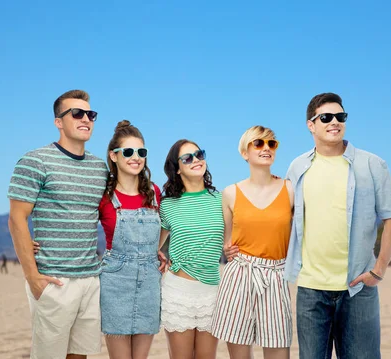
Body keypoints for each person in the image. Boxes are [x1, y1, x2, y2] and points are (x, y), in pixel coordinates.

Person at [283, 93, 391, 358]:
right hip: (311, 290)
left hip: (358, 288)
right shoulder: (298, 167)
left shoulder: (372, 164)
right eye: (326, 117)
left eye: (341, 116)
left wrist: (379, 270)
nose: (334, 122)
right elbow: (285, 218)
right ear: (311, 125)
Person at [8, 89, 106, 359]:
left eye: (90, 114)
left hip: (90, 277)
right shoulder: (35, 161)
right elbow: (17, 218)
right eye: (76, 113)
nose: (85, 118)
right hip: (54, 278)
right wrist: (32, 276)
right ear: (58, 122)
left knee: (80, 355)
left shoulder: (100, 168)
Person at [211, 126, 294, 359]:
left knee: (279, 350)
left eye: (271, 144)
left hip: (276, 277)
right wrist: (227, 248)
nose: (266, 148)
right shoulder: (230, 193)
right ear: (244, 153)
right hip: (239, 276)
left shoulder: (290, 189)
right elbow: (227, 241)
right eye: (258, 143)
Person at [98, 120, 165, 358]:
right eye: (128, 152)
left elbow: (167, 226)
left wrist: (157, 250)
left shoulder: (155, 193)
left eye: (141, 152)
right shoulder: (103, 195)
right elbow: (79, 227)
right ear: (113, 156)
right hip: (115, 282)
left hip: (149, 281)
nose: (135, 157)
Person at [159, 139, 224, 359]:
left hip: (212, 293)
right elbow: (152, 247)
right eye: (187, 158)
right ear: (177, 168)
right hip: (178, 292)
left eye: (199, 154)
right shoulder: (167, 205)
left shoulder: (222, 200)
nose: (196, 160)